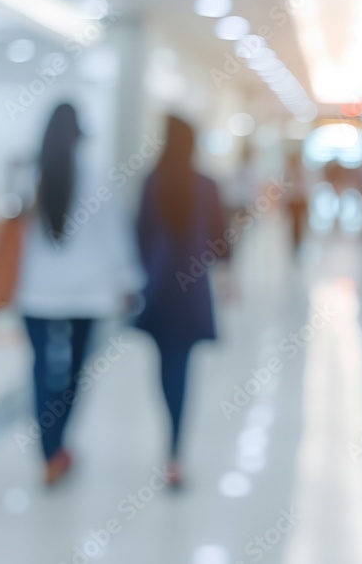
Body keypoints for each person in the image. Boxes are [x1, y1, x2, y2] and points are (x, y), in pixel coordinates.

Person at [14, 103, 143, 485]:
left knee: (40, 369)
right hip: (87, 296)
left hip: (37, 293)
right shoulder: (99, 178)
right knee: (73, 372)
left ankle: (48, 451)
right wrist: (127, 284)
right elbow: (116, 239)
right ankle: (59, 447)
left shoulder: (28, 178)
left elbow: (14, 239)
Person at [134, 116, 228, 487]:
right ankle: (174, 450)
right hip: (191, 293)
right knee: (182, 368)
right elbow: (221, 241)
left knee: (164, 367)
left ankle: (170, 443)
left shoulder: (151, 183)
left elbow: (139, 238)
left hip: (158, 291)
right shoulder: (205, 185)